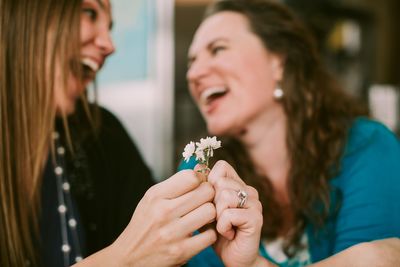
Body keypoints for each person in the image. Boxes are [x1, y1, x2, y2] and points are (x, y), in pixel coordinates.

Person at [0, 0, 219, 266]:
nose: (109, 45)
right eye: (90, 13)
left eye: (110, 27)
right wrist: (124, 257)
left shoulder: (102, 132)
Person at [183, 0, 400, 266]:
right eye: (191, 62)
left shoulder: (366, 146)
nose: (194, 73)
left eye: (218, 49)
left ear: (279, 62)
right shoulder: (199, 172)